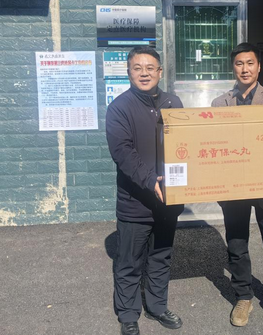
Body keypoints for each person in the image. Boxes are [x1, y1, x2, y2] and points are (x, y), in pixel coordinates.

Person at [211, 43, 263, 333]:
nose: (244, 69)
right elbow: (213, 142)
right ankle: (243, 296)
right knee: (236, 246)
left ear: (259, 67)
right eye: (239, 64)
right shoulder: (220, 104)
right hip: (234, 186)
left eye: (250, 63)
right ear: (232, 68)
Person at [106, 46, 184, 335]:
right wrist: (151, 181)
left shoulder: (174, 102)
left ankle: (157, 306)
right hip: (135, 202)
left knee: (161, 256)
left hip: (169, 200)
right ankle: (128, 314)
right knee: (129, 262)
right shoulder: (119, 108)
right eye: (137, 68)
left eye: (150, 68)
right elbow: (123, 152)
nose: (144, 73)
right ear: (129, 72)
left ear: (160, 72)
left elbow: (187, 143)